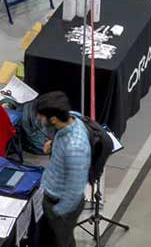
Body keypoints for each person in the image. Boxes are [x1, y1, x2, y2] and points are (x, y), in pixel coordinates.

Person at [36, 92, 91, 246]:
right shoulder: (72, 119)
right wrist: (53, 145)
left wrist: (58, 213)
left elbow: (75, 190)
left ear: (53, 119)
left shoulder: (75, 149)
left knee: (61, 242)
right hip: (53, 197)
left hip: (61, 206)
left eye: (41, 116)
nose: (38, 119)